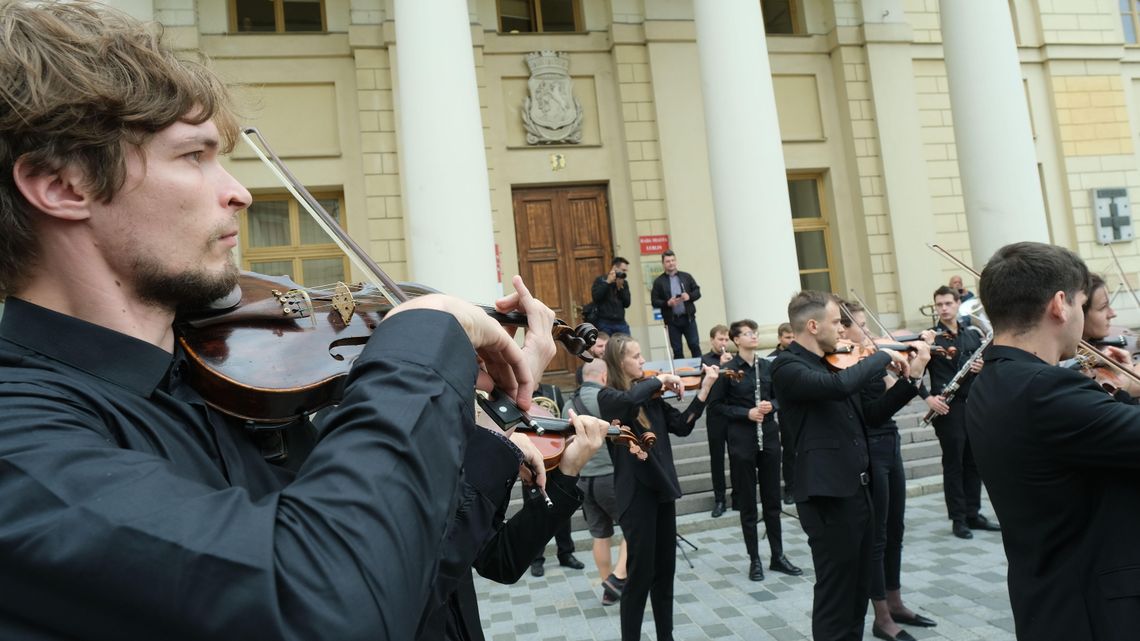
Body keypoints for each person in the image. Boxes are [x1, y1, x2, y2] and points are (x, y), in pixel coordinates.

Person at [0, 2, 567, 638]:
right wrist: (424, 339)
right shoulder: (20, 443)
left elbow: (404, 587)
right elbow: (323, 603)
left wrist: (462, 414)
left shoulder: (228, 386)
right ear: (63, 186)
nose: (238, 191)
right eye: (194, 156)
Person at [966, 241, 1140, 641]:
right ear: (1060, 305)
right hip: (1094, 612)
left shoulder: (991, 381)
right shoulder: (1044, 389)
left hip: (1047, 600)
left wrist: (1123, 391)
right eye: (1082, 303)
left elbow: (1088, 440)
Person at [771, 291, 913, 641]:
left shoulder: (836, 362)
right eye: (837, 322)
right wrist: (880, 356)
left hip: (858, 489)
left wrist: (912, 381)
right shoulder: (787, 365)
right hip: (826, 494)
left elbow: (872, 415)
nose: (843, 331)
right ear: (813, 325)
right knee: (837, 593)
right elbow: (836, 387)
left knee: (857, 591)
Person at [598, 333, 718, 641]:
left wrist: (703, 390)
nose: (642, 362)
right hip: (636, 496)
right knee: (639, 577)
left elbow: (683, 425)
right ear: (618, 362)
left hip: (662, 489)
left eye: (641, 356)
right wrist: (660, 380)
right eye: (636, 357)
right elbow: (627, 402)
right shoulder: (609, 398)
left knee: (665, 575)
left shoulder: (651, 400)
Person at [840, 303, 938, 641]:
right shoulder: (855, 366)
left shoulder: (873, 358)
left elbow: (889, 406)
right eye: (861, 326)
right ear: (842, 330)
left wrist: (910, 369)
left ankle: (895, 602)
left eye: (868, 324)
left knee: (896, 526)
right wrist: (908, 376)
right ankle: (881, 617)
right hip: (871, 448)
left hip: (890, 442)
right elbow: (874, 413)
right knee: (877, 535)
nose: (868, 333)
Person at [708, 319, 802, 581]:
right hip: (742, 440)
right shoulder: (727, 371)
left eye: (755, 332)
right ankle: (755, 560)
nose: (754, 336)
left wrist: (771, 405)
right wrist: (745, 413)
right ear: (736, 340)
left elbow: (782, 397)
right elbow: (716, 408)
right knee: (748, 504)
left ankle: (778, 556)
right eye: (748, 333)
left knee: (772, 501)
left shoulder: (767, 366)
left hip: (769, 438)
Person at [927, 286, 1000, 539]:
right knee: (954, 463)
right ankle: (958, 519)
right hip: (947, 407)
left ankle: (973, 513)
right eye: (939, 305)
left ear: (958, 303)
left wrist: (982, 367)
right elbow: (912, 376)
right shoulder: (931, 339)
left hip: (973, 404)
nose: (944, 308)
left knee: (974, 461)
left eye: (948, 303)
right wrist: (929, 399)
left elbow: (987, 367)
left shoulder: (972, 335)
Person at [563, 359, 628, 606]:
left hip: (583, 479)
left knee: (600, 535)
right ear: (603, 377)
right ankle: (617, 578)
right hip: (608, 475)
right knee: (634, 527)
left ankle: (607, 589)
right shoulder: (606, 398)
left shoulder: (569, 403)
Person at [702, 324, 735, 517]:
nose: (723, 343)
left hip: (732, 413)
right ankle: (720, 500)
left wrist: (731, 365)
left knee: (736, 456)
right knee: (717, 459)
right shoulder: (705, 360)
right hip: (715, 415)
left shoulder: (734, 359)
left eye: (726, 340)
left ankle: (738, 495)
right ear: (712, 340)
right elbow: (708, 389)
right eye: (720, 339)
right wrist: (722, 366)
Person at [650, 250, 702, 359]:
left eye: (673, 260)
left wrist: (689, 296)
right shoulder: (658, 282)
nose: (671, 263)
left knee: (694, 345)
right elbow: (654, 301)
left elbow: (697, 292)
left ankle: (702, 371)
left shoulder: (686, 276)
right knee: (677, 350)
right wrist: (667, 303)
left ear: (676, 261)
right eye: (668, 261)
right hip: (672, 321)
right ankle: (680, 375)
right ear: (663, 264)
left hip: (688, 319)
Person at [591, 257, 632, 336]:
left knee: (626, 345)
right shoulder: (601, 280)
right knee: (606, 346)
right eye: (623, 270)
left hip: (620, 322)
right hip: (604, 323)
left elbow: (627, 304)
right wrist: (607, 282)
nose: (625, 273)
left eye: (626, 271)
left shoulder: (624, 283)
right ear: (614, 268)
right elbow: (596, 297)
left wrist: (620, 288)